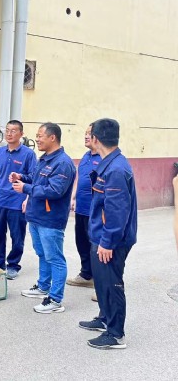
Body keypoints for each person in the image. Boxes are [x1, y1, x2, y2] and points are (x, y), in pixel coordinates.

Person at [78, 118, 137, 350]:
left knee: (111, 284)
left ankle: (115, 334)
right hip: (102, 236)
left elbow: (117, 211)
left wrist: (107, 242)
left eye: (89, 134)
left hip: (111, 240)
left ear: (95, 139)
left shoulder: (116, 170)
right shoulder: (109, 163)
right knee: (102, 282)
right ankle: (104, 318)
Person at [10, 122, 75, 313]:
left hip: (51, 220)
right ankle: (43, 286)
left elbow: (55, 190)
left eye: (40, 136)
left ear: (52, 138)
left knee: (55, 257)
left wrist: (25, 188)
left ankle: (55, 300)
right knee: (42, 254)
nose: (37, 139)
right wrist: (21, 177)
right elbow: (36, 179)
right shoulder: (45, 159)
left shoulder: (63, 163)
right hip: (36, 216)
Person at [0, 120, 36, 280]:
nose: (9, 133)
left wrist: (27, 198)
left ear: (21, 134)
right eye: (7, 130)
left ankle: (13, 265)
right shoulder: (0, 152)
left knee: (17, 235)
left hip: (17, 201)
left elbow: (33, 177)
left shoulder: (28, 154)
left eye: (13, 131)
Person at [67, 124, 101, 289]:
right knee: (81, 242)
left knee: (95, 245)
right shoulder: (86, 156)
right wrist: (73, 197)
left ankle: (100, 281)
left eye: (90, 133)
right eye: (85, 133)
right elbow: (80, 178)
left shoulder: (104, 158)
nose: (86, 136)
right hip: (81, 208)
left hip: (95, 211)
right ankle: (86, 274)